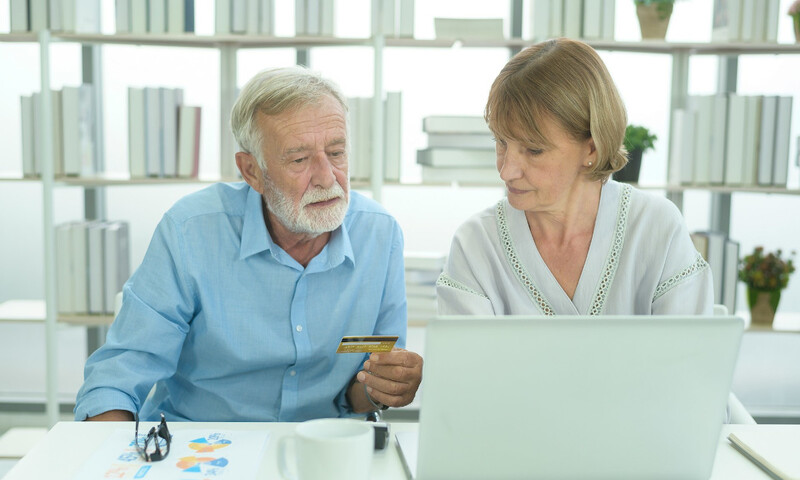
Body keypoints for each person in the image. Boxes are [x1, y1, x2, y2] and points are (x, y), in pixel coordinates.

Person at [75, 66, 422, 422]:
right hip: (201, 451)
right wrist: (118, 469)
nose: (326, 177)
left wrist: (386, 387)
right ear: (251, 171)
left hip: (325, 451)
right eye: (300, 160)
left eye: (336, 153)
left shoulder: (380, 235)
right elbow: (115, 382)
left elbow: (361, 390)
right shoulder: (191, 232)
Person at [437, 38, 713, 317]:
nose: (506, 170)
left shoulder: (656, 228)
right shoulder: (476, 243)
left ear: (591, 148)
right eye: (501, 142)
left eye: (534, 150)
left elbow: (691, 356)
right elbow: (465, 360)